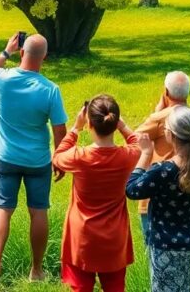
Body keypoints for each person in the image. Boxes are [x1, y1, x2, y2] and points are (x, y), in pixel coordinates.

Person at [0, 33, 68, 288]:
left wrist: (4, 52)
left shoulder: (2, 79)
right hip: (38, 160)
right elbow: (59, 129)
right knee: (38, 211)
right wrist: (59, 157)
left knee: (3, 208)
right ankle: (36, 270)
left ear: (21, 53)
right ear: (45, 58)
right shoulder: (50, 89)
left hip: (6, 157)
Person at [52, 95, 140, 292]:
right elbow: (137, 144)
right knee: (115, 287)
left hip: (81, 237)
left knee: (80, 287)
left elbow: (57, 157)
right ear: (115, 122)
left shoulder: (79, 157)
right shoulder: (127, 156)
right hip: (115, 237)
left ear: (90, 123)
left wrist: (75, 128)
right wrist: (123, 127)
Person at [126, 107, 190, 292]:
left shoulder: (163, 171)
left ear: (170, 135)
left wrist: (145, 154)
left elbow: (132, 190)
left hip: (165, 248)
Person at [134, 71, 190, 245]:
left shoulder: (160, 118)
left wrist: (155, 115)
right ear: (189, 93)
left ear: (166, 92)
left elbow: (133, 142)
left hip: (159, 195)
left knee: (154, 251)